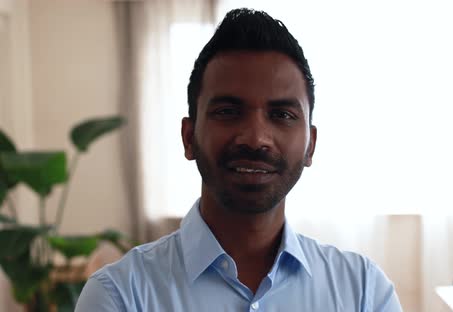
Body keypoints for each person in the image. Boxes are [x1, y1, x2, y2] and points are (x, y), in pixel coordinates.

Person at [76, 8, 403, 311]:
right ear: (189, 137)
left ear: (310, 146)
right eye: (228, 112)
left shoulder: (363, 292)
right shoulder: (121, 296)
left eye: (282, 114)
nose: (256, 138)